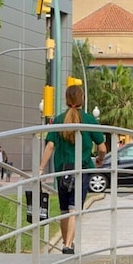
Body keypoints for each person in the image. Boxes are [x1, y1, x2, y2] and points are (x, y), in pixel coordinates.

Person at [39, 84, 103, 255]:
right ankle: (68, 245)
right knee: (74, 209)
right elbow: (102, 147)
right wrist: (100, 159)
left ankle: (66, 243)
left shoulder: (59, 120)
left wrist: (41, 168)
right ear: (82, 99)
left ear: (67, 100)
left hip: (62, 170)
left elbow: (50, 145)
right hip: (81, 169)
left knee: (64, 210)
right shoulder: (89, 120)